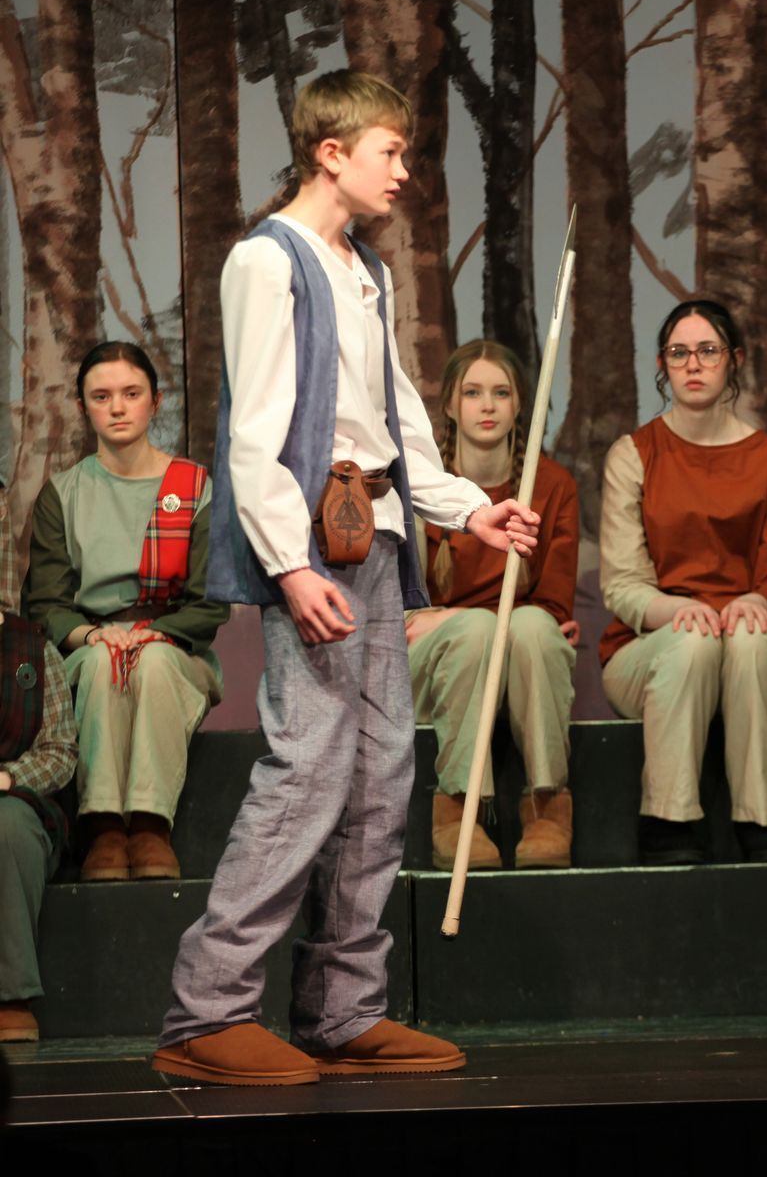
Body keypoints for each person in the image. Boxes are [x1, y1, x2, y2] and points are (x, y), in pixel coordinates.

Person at [153, 70, 538, 1086]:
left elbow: (394, 410)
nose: (402, 171)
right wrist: (288, 563)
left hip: (377, 535)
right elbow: (253, 431)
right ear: (332, 153)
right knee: (310, 767)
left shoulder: (361, 266)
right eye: (389, 151)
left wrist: (464, 506)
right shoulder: (266, 259)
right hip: (316, 542)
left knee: (379, 775)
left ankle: (340, 1006)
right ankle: (207, 1008)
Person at [598, 300, 767, 865]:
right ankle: (667, 820)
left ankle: (762, 819)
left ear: (733, 359)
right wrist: (676, 611)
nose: (693, 364)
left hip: (754, 650)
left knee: (746, 639)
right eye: (679, 353)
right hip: (649, 649)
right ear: (662, 366)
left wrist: (756, 600)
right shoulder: (634, 454)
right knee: (693, 640)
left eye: (708, 351)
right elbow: (622, 583)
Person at [24, 343, 227, 881]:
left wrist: (153, 634)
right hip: (89, 646)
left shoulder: (195, 488)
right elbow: (45, 603)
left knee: (152, 663)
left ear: (155, 402)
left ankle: (151, 827)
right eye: (101, 397)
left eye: (131, 394)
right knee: (101, 665)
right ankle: (104, 830)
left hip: (173, 647)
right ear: (83, 407)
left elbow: (210, 601)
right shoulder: (63, 494)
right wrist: (92, 636)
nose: (117, 407)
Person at [407, 339, 579, 871]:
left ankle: (546, 807)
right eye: (473, 392)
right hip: (436, 659)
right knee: (479, 631)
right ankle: (458, 812)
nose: (487, 406)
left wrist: (461, 616)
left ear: (519, 403)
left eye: (501, 393)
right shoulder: (420, 488)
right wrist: (455, 620)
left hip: (515, 646)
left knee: (532, 626)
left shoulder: (551, 485)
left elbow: (553, 606)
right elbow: (402, 616)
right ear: (450, 405)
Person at [0, 485, 78, 1043]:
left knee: (4, 826)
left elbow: (59, 751)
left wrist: (8, 779)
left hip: (15, 807)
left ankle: (11, 997)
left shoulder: (32, 648)